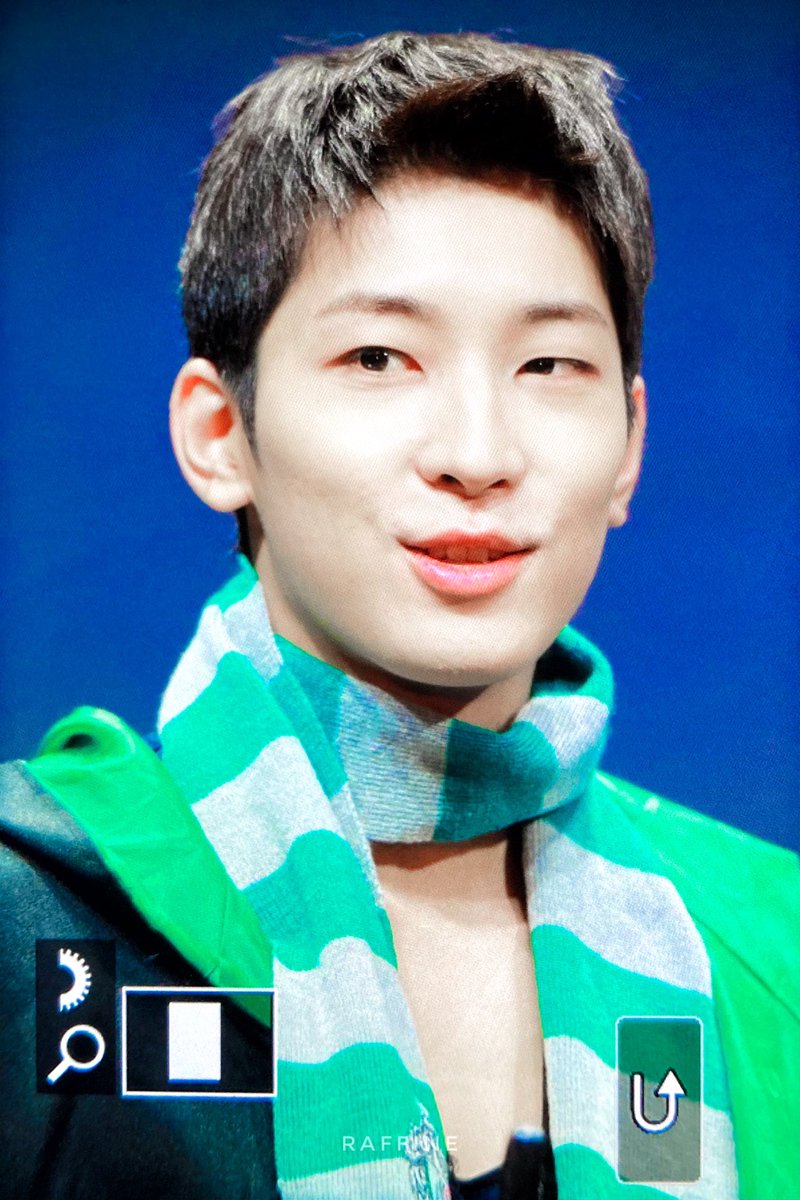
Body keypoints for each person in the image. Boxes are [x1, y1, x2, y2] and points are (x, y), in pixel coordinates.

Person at [1, 30, 797, 1200]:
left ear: (628, 447)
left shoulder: (772, 940)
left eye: (547, 366)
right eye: (378, 357)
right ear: (220, 435)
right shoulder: (32, 916)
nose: (476, 453)